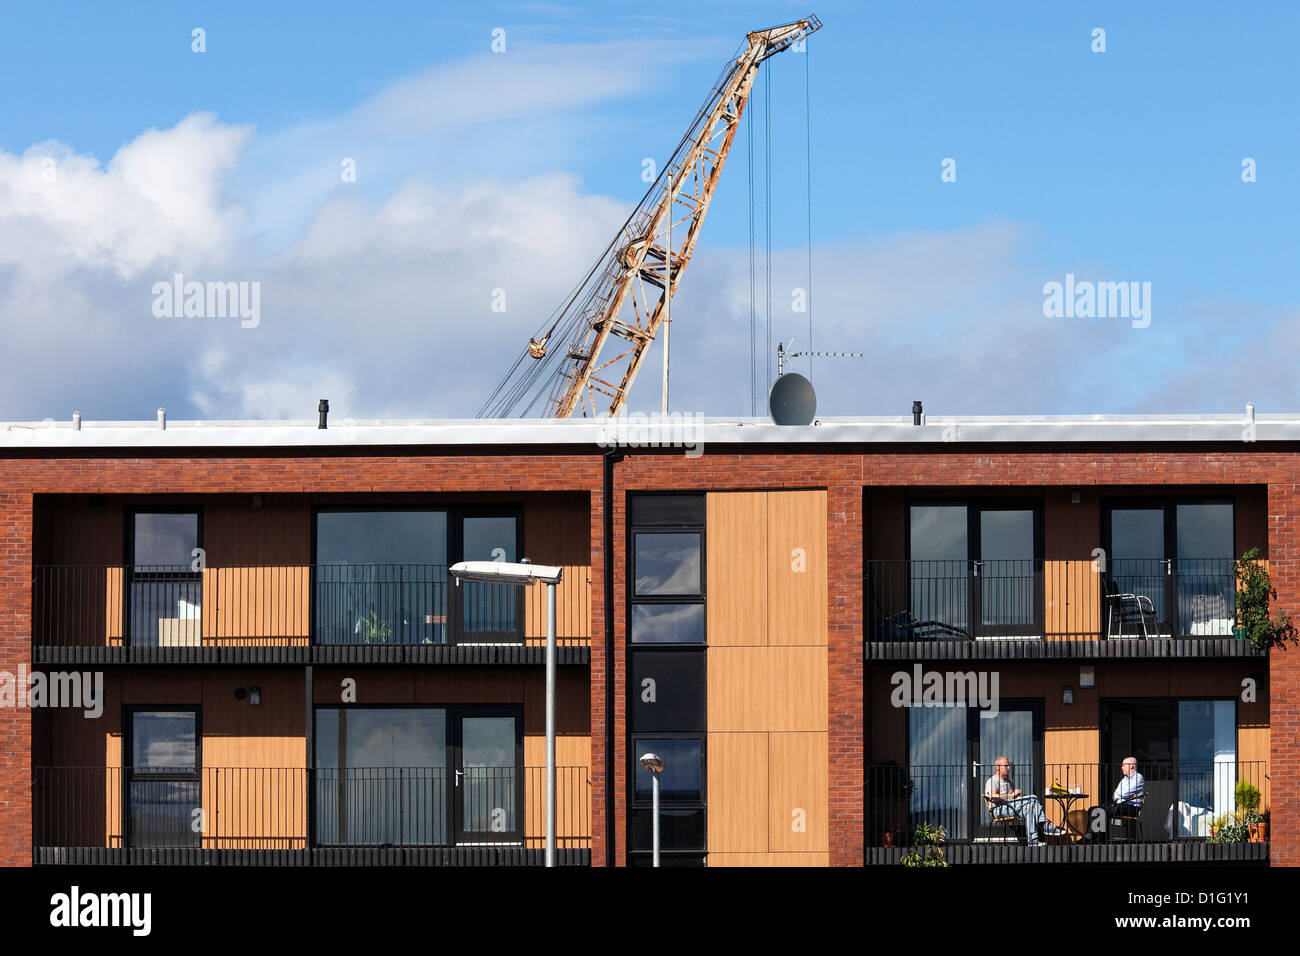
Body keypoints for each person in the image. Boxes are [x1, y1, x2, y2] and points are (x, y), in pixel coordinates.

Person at [984, 757, 1064, 846]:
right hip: (999, 809)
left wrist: (1019, 798)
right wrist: (1012, 795)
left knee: (1029, 807)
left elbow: (1012, 799)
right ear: (997, 767)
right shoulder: (992, 780)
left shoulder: (1008, 782)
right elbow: (992, 797)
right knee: (1033, 798)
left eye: (1009, 766)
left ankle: (1032, 840)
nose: (1008, 768)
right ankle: (1044, 825)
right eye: (1006, 766)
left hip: (1010, 807)